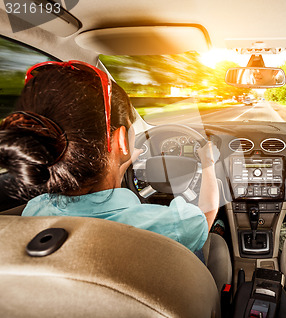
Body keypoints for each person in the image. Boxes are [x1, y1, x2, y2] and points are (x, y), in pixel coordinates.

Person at [0, 61, 219, 253]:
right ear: (122, 140)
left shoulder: (36, 209)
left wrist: (120, 162)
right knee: (216, 246)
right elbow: (206, 215)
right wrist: (208, 163)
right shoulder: (166, 226)